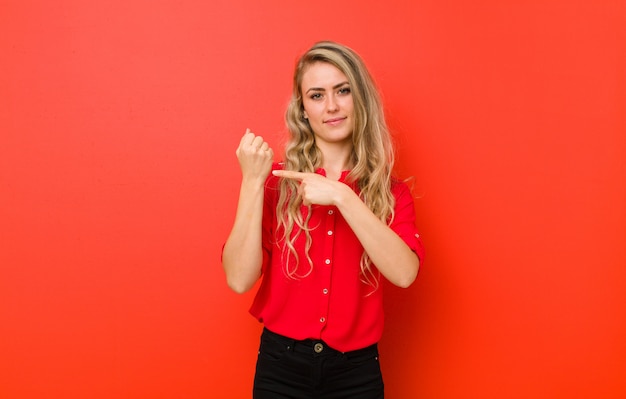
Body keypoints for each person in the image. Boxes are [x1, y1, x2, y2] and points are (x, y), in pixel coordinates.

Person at [221, 41, 425, 399]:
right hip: (280, 368)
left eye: (342, 91)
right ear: (303, 109)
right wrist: (252, 183)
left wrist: (343, 196)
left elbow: (405, 274)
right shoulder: (274, 184)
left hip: (357, 374)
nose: (331, 106)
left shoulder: (392, 194)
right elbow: (239, 280)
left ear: (359, 98)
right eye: (317, 95)